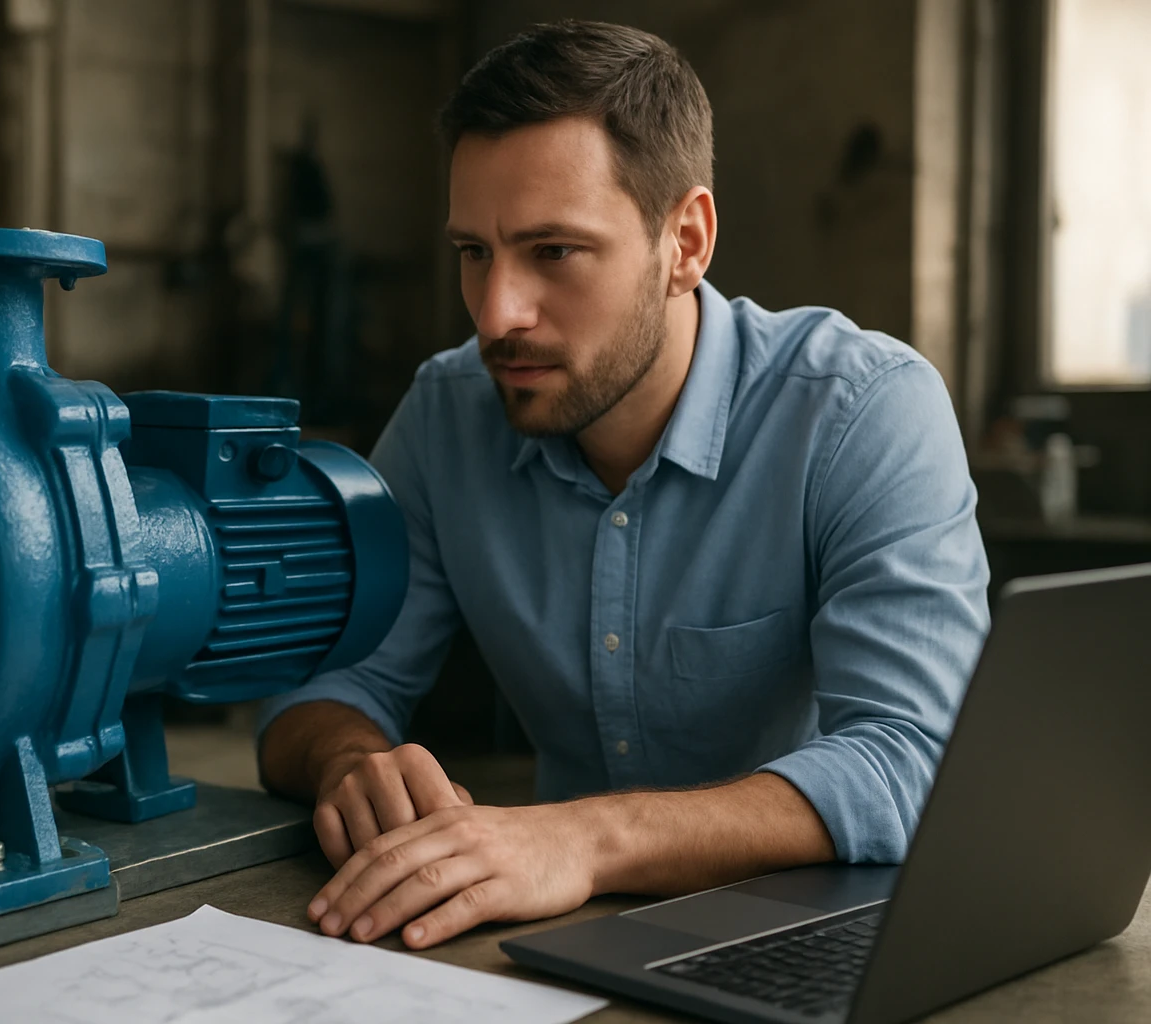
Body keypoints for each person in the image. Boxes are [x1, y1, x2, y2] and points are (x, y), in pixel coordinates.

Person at [256, 19, 989, 952]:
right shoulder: (447, 414)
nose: (497, 314)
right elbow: (317, 686)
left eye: (554, 252)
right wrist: (348, 758)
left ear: (685, 241)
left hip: (829, 934)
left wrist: (585, 837)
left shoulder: (863, 411)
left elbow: (915, 761)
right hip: (561, 933)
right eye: (474, 252)